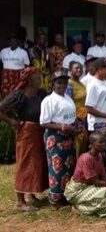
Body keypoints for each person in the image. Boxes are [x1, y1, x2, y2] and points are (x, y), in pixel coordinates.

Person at [0, 67, 48, 211]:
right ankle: (20, 201)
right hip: (26, 133)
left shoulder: (41, 94)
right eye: (37, 77)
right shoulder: (19, 96)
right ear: (29, 79)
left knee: (37, 163)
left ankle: (32, 193)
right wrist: (11, 121)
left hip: (40, 132)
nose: (40, 79)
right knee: (24, 163)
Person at [64, 132, 106, 217]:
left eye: (104, 142)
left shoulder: (99, 156)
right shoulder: (86, 158)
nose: (104, 144)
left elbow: (104, 177)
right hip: (77, 190)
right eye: (101, 142)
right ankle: (79, 208)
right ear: (92, 144)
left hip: (89, 186)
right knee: (105, 193)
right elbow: (95, 182)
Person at [40, 71, 80, 208]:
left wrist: (76, 125)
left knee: (68, 166)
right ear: (52, 84)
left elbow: (71, 116)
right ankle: (55, 200)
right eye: (59, 82)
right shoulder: (48, 100)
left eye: (64, 82)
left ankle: (65, 195)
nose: (62, 85)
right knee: (57, 168)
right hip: (56, 137)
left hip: (69, 136)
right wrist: (63, 126)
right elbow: (44, 122)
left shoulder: (68, 98)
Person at [85, 58, 106, 132]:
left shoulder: (105, 83)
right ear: (100, 69)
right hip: (97, 125)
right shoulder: (93, 85)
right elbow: (88, 109)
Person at [66, 62, 89, 158]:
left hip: (84, 117)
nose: (79, 70)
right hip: (76, 118)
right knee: (78, 144)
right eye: (76, 68)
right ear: (70, 70)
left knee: (84, 142)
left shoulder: (81, 84)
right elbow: (67, 102)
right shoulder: (69, 84)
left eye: (80, 68)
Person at [1, 33, 30, 98]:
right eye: (11, 41)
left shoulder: (23, 52)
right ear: (8, 42)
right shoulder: (3, 51)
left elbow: (27, 66)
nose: (12, 42)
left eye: (14, 41)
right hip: (6, 77)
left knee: (17, 94)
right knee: (5, 94)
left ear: (17, 42)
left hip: (18, 76)